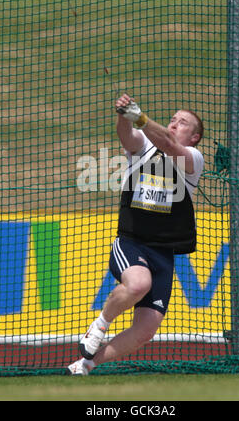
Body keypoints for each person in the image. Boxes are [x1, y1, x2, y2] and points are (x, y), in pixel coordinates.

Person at [67, 94, 204, 375]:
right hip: (132, 240)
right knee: (138, 284)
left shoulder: (193, 159)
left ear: (195, 137)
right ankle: (100, 324)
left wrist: (139, 116)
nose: (175, 123)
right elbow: (127, 137)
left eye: (183, 123)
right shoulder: (144, 143)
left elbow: (168, 142)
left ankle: (86, 364)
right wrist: (122, 115)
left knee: (145, 331)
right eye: (173, 120)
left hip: (163, 250)